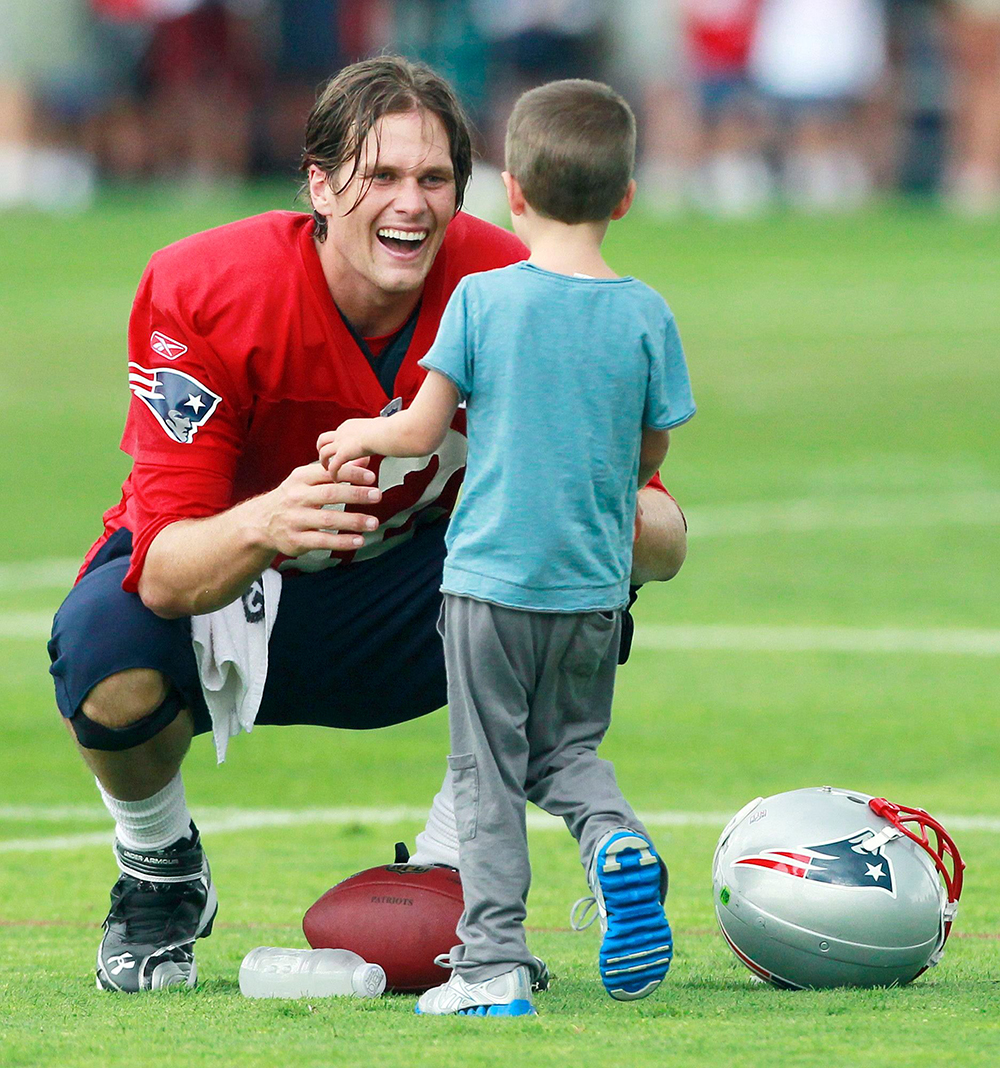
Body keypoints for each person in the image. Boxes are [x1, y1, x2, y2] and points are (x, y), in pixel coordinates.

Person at [47, 56, 689, 993]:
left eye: (434, 179)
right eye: (380, 175)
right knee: (101, 645)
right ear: (317, 182)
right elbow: (166, 571)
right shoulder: (208, 284)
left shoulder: (516, 283)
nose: (412, 204)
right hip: (244, 582)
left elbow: (654, 517)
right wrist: (270, 519)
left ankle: (449, 860)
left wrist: (623, 527)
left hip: (427, 599)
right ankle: (159, 866)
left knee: (587, 552)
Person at [318, 79, 695, 1016]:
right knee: (567, 753)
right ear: (625, 198)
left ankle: (488, 966)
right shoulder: (648, 314)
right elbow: (651, 453)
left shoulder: (482, 301)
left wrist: (357, 436)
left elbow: (418, 430)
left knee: (485, 774)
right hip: (595, 590)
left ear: (511, 191)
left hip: (489, 585)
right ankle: (613, 841)